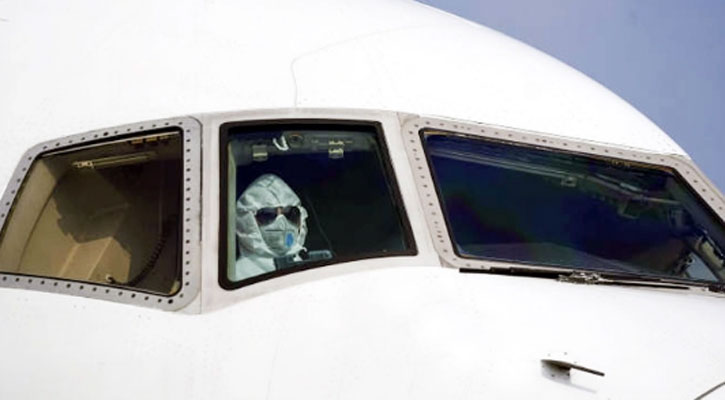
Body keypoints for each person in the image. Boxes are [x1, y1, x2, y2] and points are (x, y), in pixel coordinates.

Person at [232, 174, 308, 281]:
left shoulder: (308, 266)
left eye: (290, 214)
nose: (281, 224)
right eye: (268, 215)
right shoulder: (236, 276)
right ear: (246, 221)